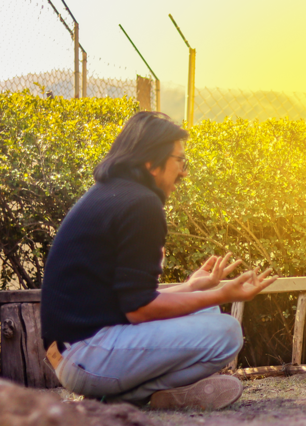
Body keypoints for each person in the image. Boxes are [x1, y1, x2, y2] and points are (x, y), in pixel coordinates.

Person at [41, 112, 277, 410]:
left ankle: (152, 395)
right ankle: (128, 397)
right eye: (180, 161)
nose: (184, 172)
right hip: (87, 355)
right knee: (227, 332)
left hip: (77, 352)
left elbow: (124, 301)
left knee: (208, 309)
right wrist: (222, 293)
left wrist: (193, 288)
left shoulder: (111, 194)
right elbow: (140, 310)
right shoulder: (141, 204)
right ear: (152, 163)